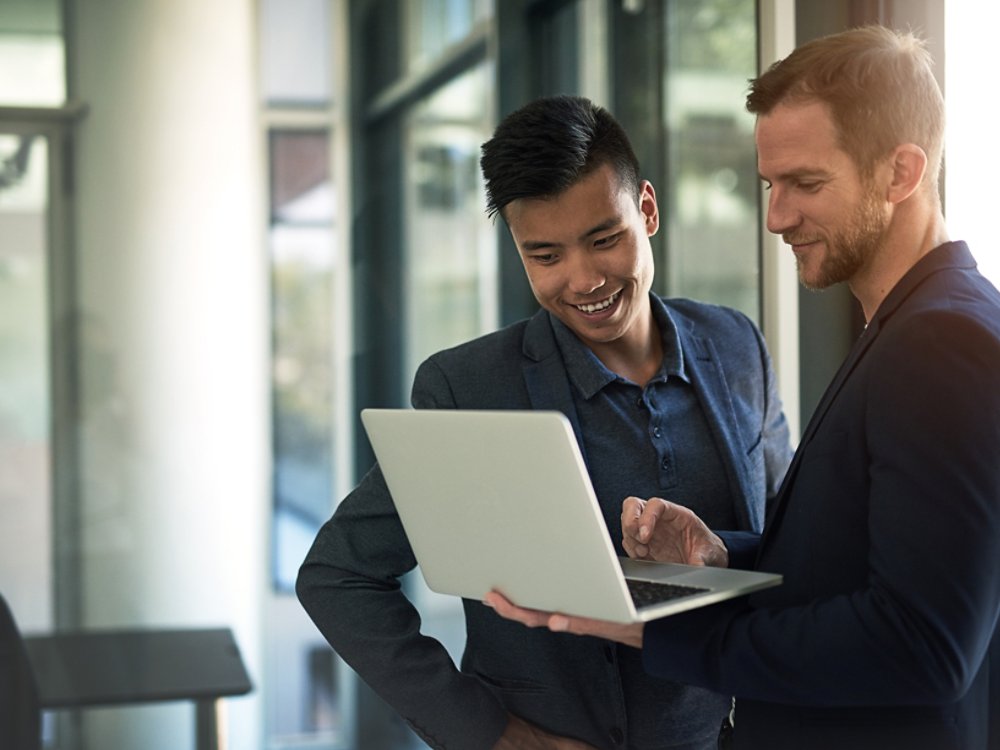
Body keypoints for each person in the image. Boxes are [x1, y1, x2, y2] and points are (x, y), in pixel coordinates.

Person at [486, 26, 1000, 750]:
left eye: (806, 184)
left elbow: (921, 643)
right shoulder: (909, 328)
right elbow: (863, 566)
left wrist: (657, 631)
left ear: (902, 172)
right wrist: (722, 557)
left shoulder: (940, 344)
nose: (776, 217)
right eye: (769, 184)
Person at [297, 94, 793, 750]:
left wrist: (720, 555)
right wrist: (493, 733)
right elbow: (338, 575)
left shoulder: (736, 347)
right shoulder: (470, 389)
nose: (582, 278)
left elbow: (793, 544)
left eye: (603, 239)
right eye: (546, 255)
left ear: (646, 209)